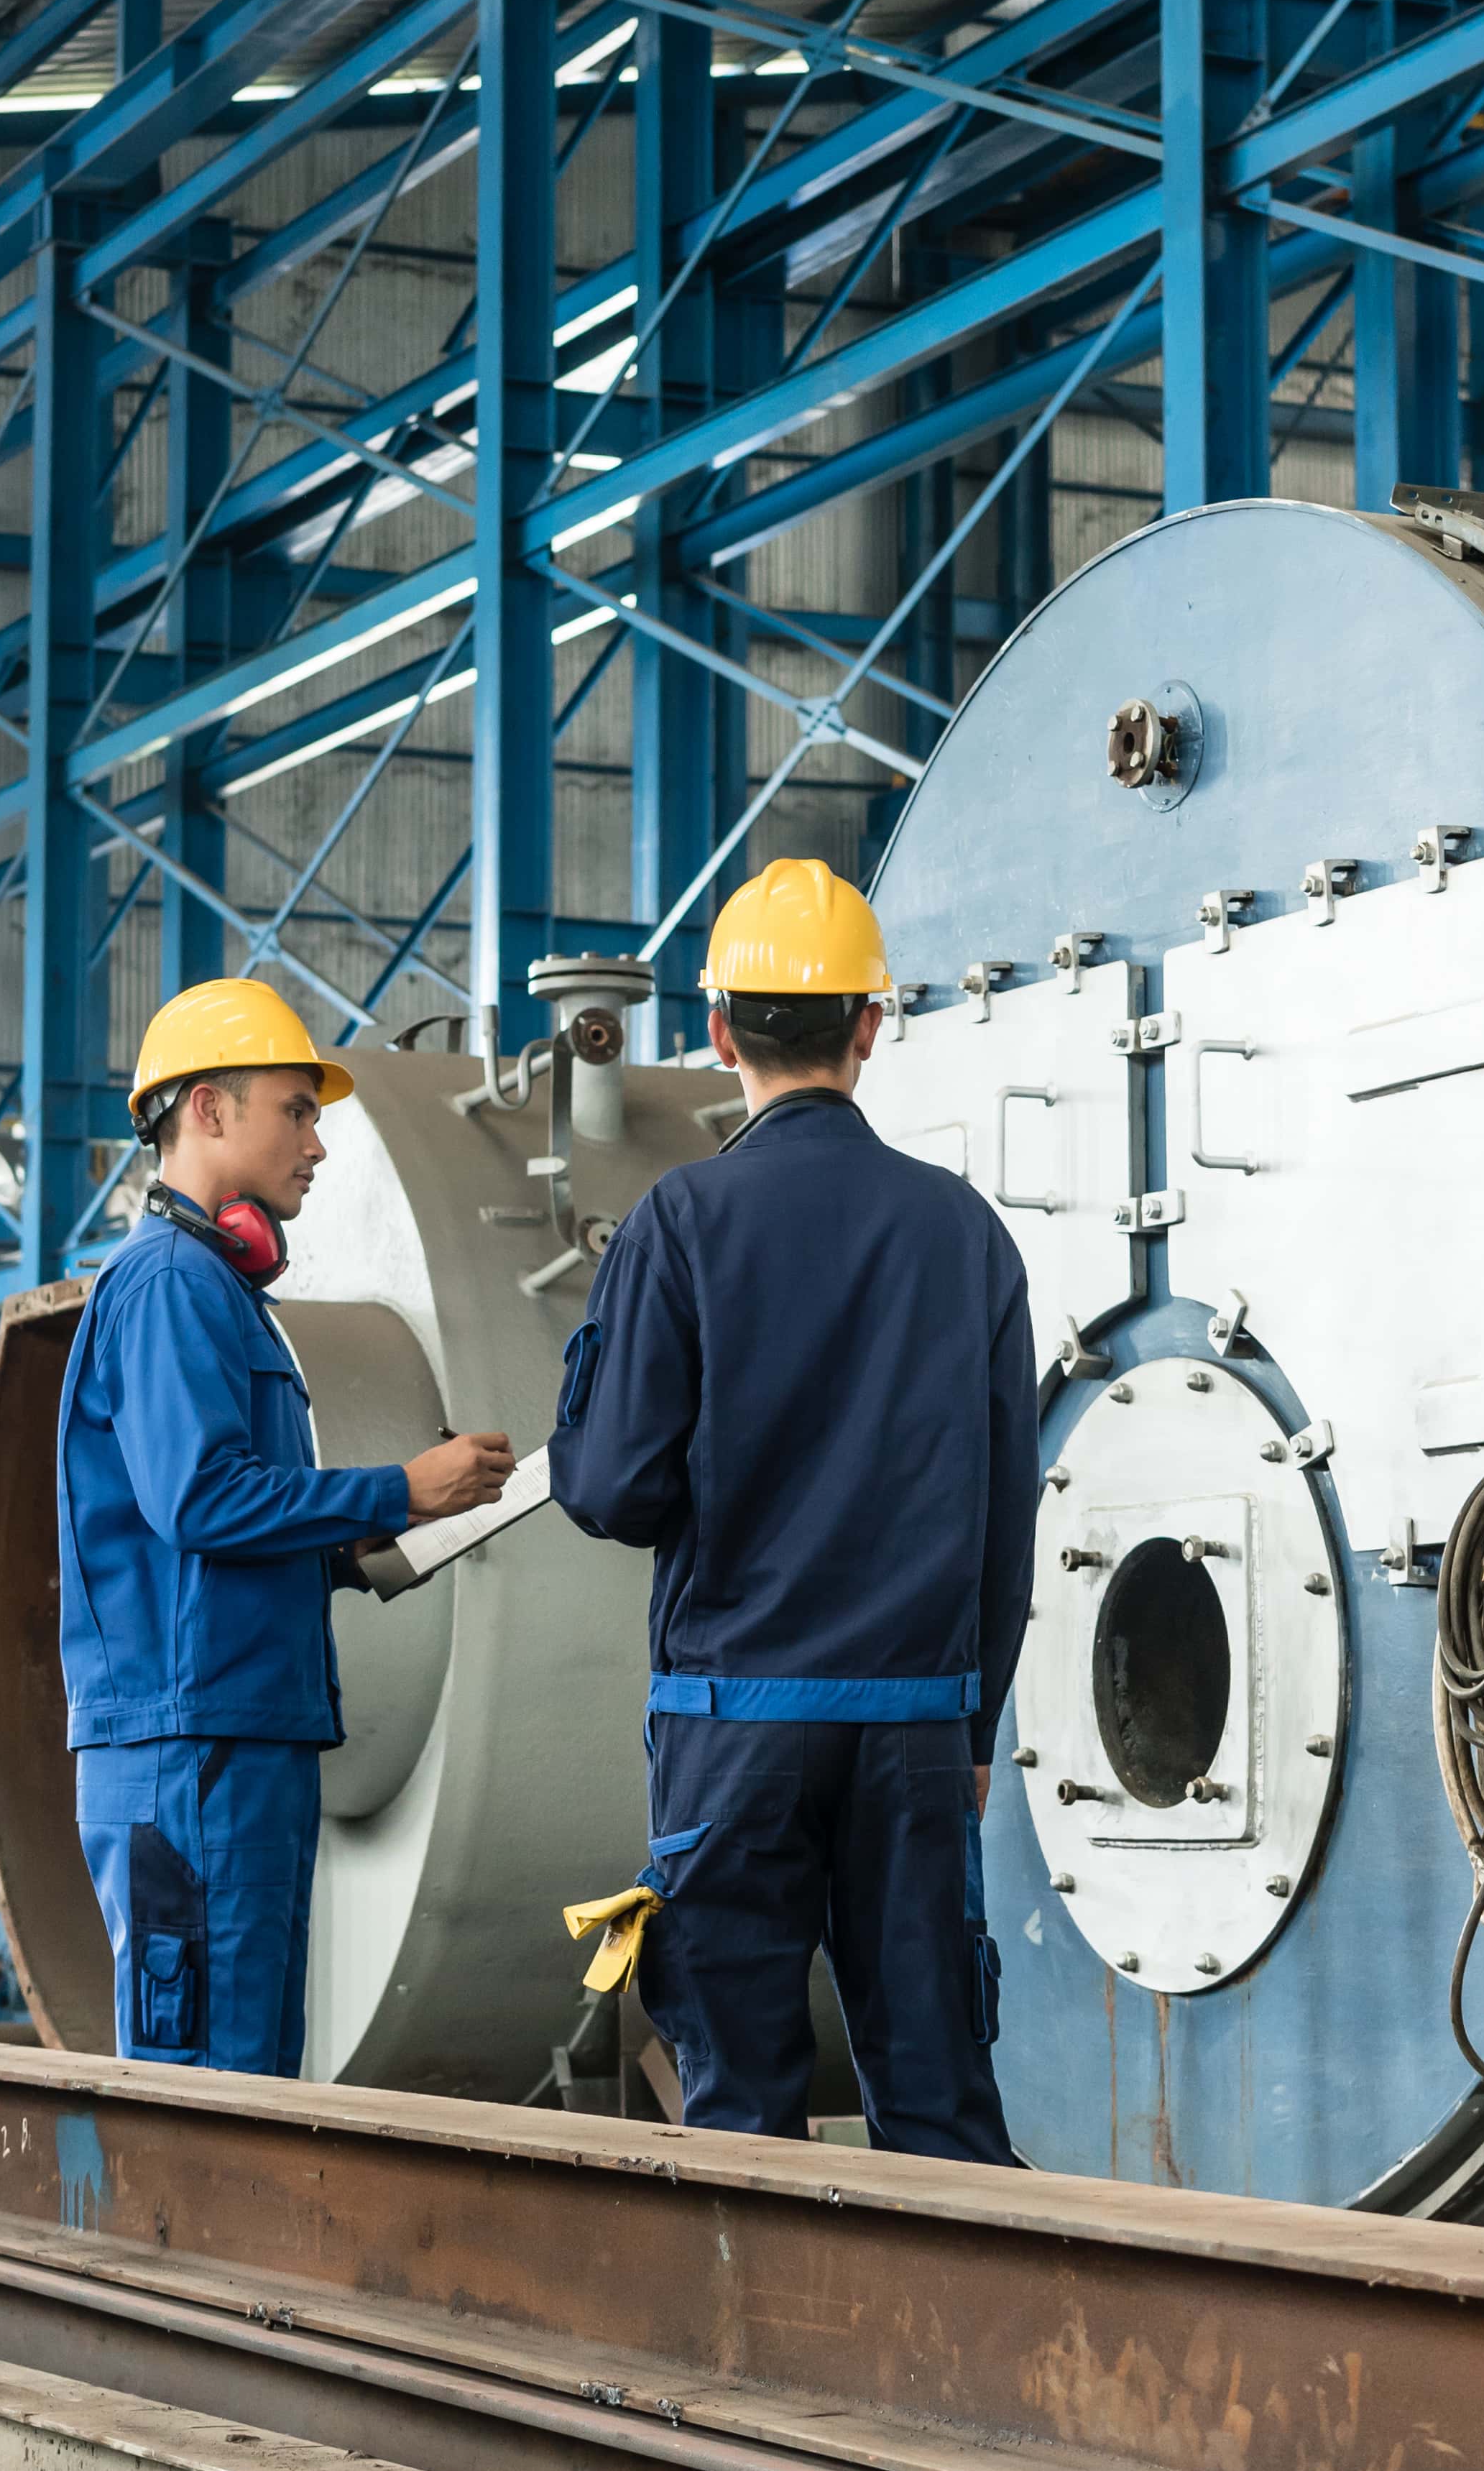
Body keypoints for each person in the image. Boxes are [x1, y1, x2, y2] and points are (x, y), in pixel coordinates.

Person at [547, 860, 1035, 2163]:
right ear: (869, 1025)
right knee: (935, 2099)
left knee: (743, 2109)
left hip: (734, 1730)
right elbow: (1007, 1519)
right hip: (918, 1727)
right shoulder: (965, 1235)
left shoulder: (682, 1221)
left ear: (719, 1032)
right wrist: (971, 1718)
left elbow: (607, 1486)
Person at [60, 979, 514, 2071]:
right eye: (296, 1110)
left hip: (233, 1733)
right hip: (192, 1744)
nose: (318, 1141)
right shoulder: (171, 1286)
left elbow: (218, 1527)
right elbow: (202, 1500)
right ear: (208, 1111)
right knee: (212, 2090)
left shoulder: (216, 1290)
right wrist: (395, 1492)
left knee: (250, 2072)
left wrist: (350, 1552)